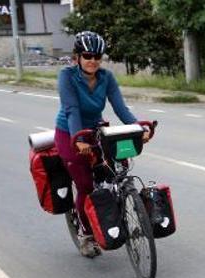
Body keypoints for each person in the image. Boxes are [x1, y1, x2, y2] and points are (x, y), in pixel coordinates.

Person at [54, 31, 150, 258]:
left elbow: (120, 107)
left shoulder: (106, 77)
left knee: (111, 172)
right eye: (87, 55)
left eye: (97, 56)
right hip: (70, 131)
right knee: (86, 184)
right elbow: (71, 110)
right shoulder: (67, 76)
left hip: (96, 130)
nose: (93, 60)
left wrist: (138, 127)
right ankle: (86, 235)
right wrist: (78, 138)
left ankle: (112, 215)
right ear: (77, 57)